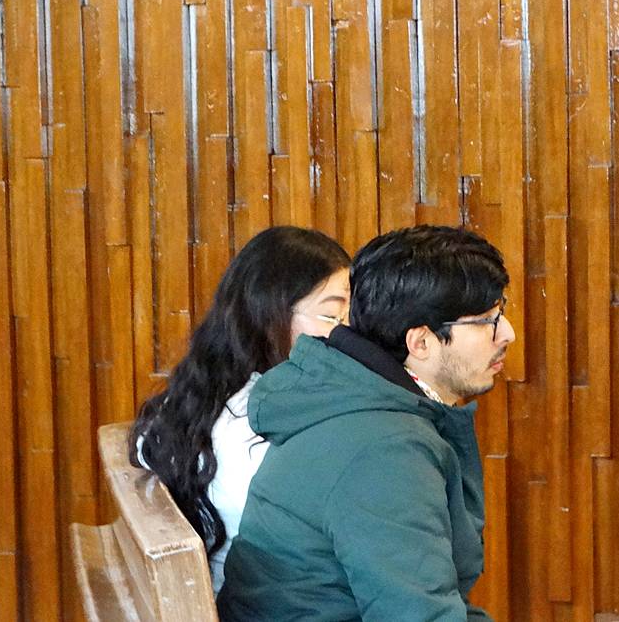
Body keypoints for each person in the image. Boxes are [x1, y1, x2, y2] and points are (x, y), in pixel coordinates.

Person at [217, 225, 516, 621]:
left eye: (501, 313)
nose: (507, 333)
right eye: (486, 320)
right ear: (421, 342)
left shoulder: (359, 404)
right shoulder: (385, 451)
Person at [129, 226, 351, 594]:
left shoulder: (203, 393)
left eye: (350, 317)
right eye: (331, 317)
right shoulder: (259, 426)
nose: (347, 333)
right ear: (269, 316)